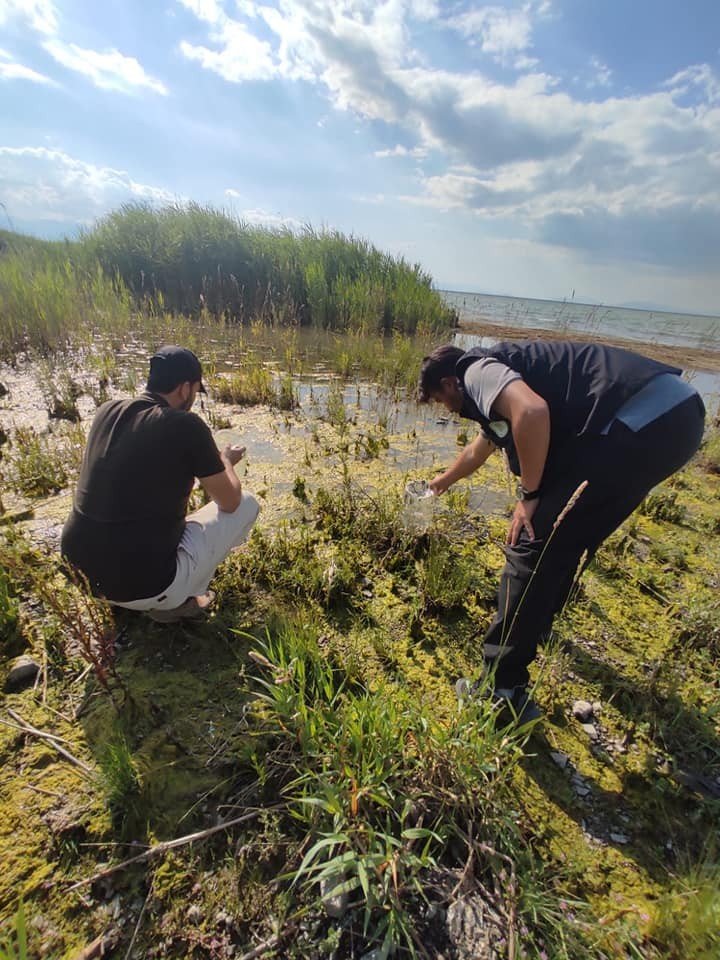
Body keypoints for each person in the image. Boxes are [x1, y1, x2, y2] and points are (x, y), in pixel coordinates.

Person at [418, 339, 705, 720]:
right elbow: (481, 447)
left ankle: (501, 691)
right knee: (566, 536)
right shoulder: (500, 382)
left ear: (451, 382)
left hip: (639, 419)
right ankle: (535, 629)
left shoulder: (477, 371)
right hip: (675, 417)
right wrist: (440, 483)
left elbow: (532, 412)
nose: (449, 410)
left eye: (442, 399)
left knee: (532, 540)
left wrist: (530, 494)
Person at [61, 346, 259, 622]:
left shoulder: (106, 412)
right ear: (185, 388)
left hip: (80, 574)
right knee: (248, 504)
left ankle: (125, 600)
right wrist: (224, 460)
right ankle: (180, 600)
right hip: (148, 585)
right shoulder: (185, 424)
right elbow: (230, 501)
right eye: (195, 390)